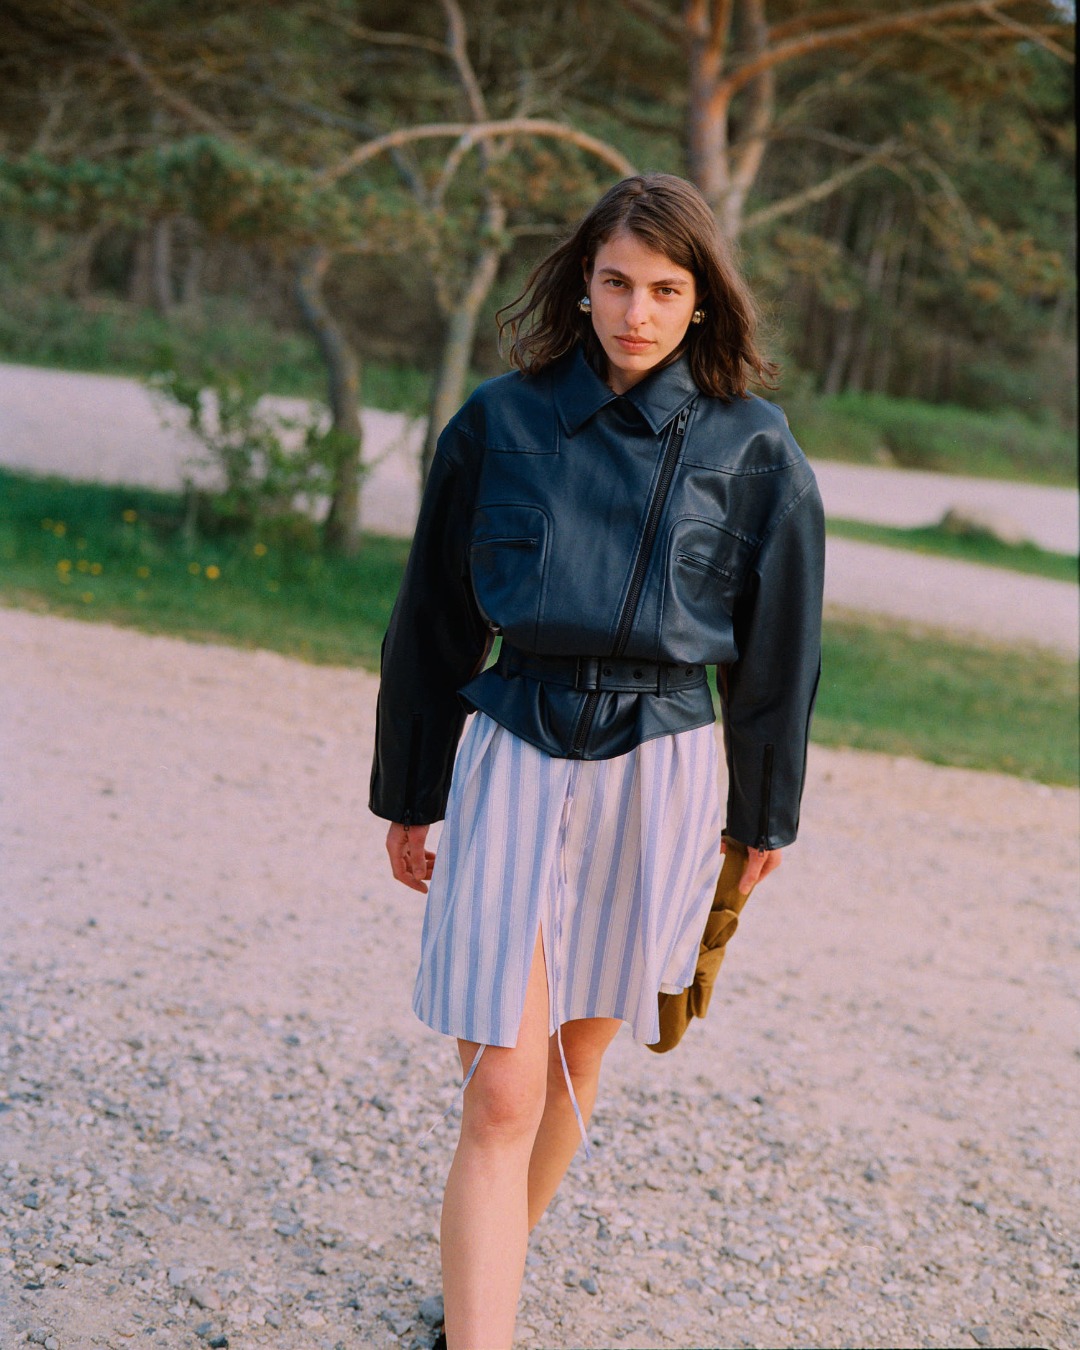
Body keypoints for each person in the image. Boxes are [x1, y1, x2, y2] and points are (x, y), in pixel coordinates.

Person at [369, 172, 824, 1350]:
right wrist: (410, 792)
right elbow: (431, 622)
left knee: (576, 1057)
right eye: (617, 283)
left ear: (701, 299)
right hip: (516, 749)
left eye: (665, 290)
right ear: (583, 282)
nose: (636, 312)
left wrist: (762, 820)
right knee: (502, 1085)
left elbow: (781, 654)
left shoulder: (755, 446)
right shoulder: (498, 423)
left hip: (664, 768)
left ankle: (481, 1291)